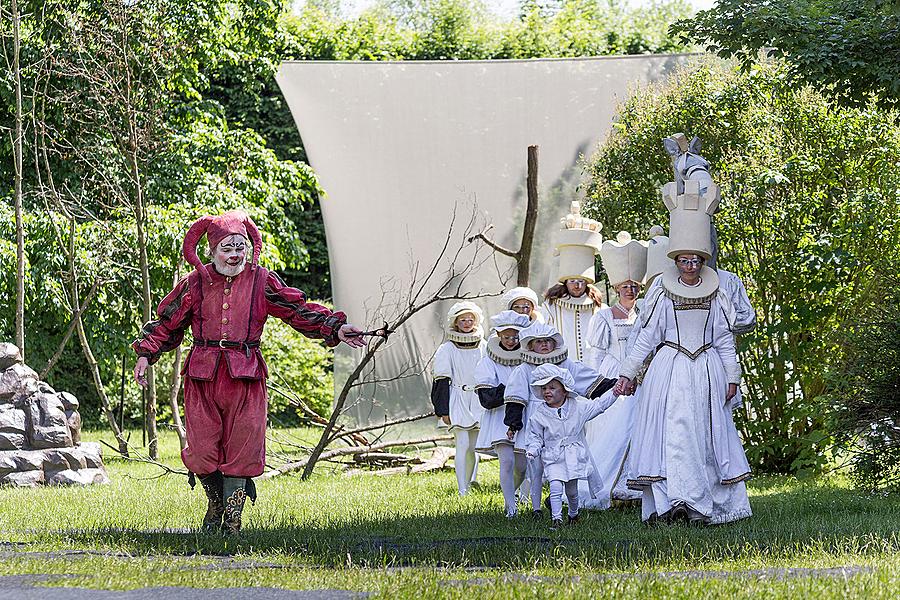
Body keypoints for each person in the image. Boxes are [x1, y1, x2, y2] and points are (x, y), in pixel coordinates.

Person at [133, 210, 366, 533]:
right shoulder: (194, 283)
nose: (234, 255)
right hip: (202, 376)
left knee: (243, 446)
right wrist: (146, 353)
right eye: (226, 249)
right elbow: (167, 323)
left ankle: (232, 522)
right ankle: (215, 505)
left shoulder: (261, 280)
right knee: (201, 450)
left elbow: (297, 310)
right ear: (212, 251)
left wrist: (336, 328)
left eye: (239, 247)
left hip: (246, 376)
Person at [614, 225, 752, 524]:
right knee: (672, 434)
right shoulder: (662, 293)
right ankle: (670, 503)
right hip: (670, 370)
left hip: (706, 369)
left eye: (695, 261)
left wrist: (732, 377)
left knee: (704, 434)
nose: (690, 267)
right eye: (684, 261)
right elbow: (647, 337)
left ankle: (703, 504)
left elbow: (724, 340)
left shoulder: (717, 293)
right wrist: (627, 373)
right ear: (675, 261)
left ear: (703, 262)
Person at [503, 322, 616, 518]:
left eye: (548, 341)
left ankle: (568, 506)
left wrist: (614, 385)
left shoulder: (566, 364)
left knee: (564, 465)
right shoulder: (523, 369)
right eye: (539, 342)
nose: (545, 345)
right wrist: (514, 423)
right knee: (535, 467)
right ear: (530, 345)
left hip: (563, 422)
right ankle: (536, 508)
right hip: (536, 419)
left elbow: (588, 380)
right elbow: (516, 396)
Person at [581, 231, 648, 509]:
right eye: (625, 286)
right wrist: (599, 385)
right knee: (616, 429)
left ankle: (633, 486)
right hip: (612, 377)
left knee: (638, 429)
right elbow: (595, 354)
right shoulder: (604, 316)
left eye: (634, 286)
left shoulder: (644, 314)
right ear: (616, 288)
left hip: (639, 378)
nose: (630, 290)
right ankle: (606, 486)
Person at [526, 364, 618, 529]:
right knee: (555, 485)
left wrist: (615, 392)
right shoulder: (539, 414)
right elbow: (536, 437)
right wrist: (533, 450)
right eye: (544, 388)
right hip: (553, 455)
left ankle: (573, 515)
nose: (547, 391)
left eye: (552, 387)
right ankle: (556, 519)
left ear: (565, 391)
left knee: (572, 491)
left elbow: (599, 406)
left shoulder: (578, 408)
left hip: (573, 455)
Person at [474, 310, 531, 517]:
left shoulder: (528, 359)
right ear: (498, 335)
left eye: (515, 337)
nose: (511, 341)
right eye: (507, 337)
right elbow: (487, 397)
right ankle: (511, 507)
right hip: (500, 416)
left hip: (524, 414)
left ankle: (515, 492)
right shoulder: (488, 361)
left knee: (522, 466)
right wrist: (512, 389)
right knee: (506, 461)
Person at [431, 301, 487, 496]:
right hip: (457, 399)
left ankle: (471, 481)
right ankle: (462, 488)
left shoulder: (484, 346)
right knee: (462, 444)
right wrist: (443, 410)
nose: (466, 322)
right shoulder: (447, 349)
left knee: (474, 446)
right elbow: (440, 380)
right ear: (456, 322)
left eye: (470, 319)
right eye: (462, 319)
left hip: (478, 400)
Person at [541, 201, 606, 362]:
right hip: (560, 364)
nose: (577, 285)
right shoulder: (551, 307)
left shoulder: (600, 308)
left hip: (593, 367)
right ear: (565, 281)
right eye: (572, 281)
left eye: (581, 281)